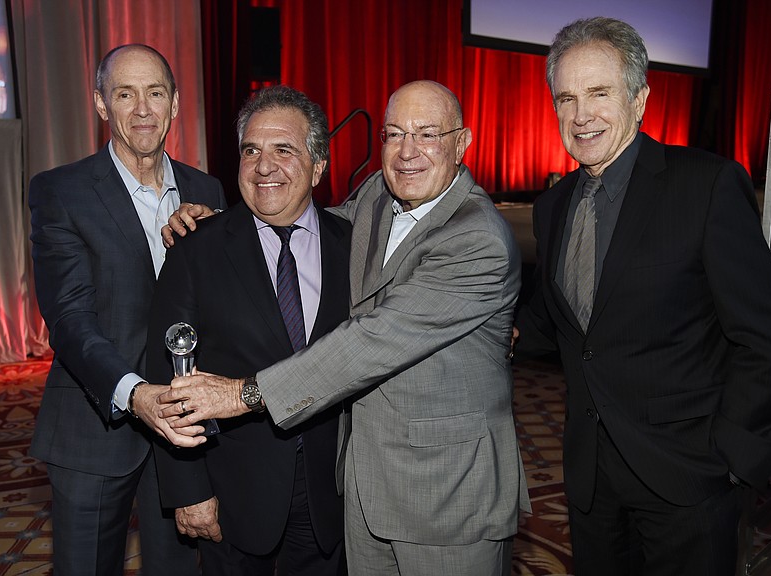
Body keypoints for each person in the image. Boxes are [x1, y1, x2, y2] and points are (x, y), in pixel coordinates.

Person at [158, 80, 530, 576]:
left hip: (447, 496)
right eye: (394, 134)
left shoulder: (478, 238)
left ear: (461, 144)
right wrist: (224, 226)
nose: (407, 152)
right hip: (362, 493)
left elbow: (372, 340)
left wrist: (243, 395)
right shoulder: (378, 193)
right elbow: (301, 222)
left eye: (427, 135)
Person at [513, 17, 771, 575]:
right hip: (591, 482)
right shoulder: (553, 205)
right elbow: (564, 319)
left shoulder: (706, 185)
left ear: (639, 100)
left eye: (599, 93)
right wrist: (490, 329)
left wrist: (734, 459)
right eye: (566, 98)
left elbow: (763, 337)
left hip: (688, 481)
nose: (581, 114)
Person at [28, 44, 226, 575]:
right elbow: (69, 320)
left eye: (155, 93)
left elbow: (228, 311)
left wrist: (217, 243)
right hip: (96, 427)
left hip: (185, 433)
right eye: (125, 94)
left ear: (176, 103)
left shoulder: (208, 191)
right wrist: (133, 394)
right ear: (100, 105)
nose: (142, 109)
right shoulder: (61, 191)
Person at [148, 85, 348, 575]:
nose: (264, 166)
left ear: (318, 166)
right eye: (251, 150)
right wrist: (190, 491)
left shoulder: (355, 246)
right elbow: (166, 379)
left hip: (335, 492)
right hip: (233, 493)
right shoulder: (196, 249)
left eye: (284, 150)